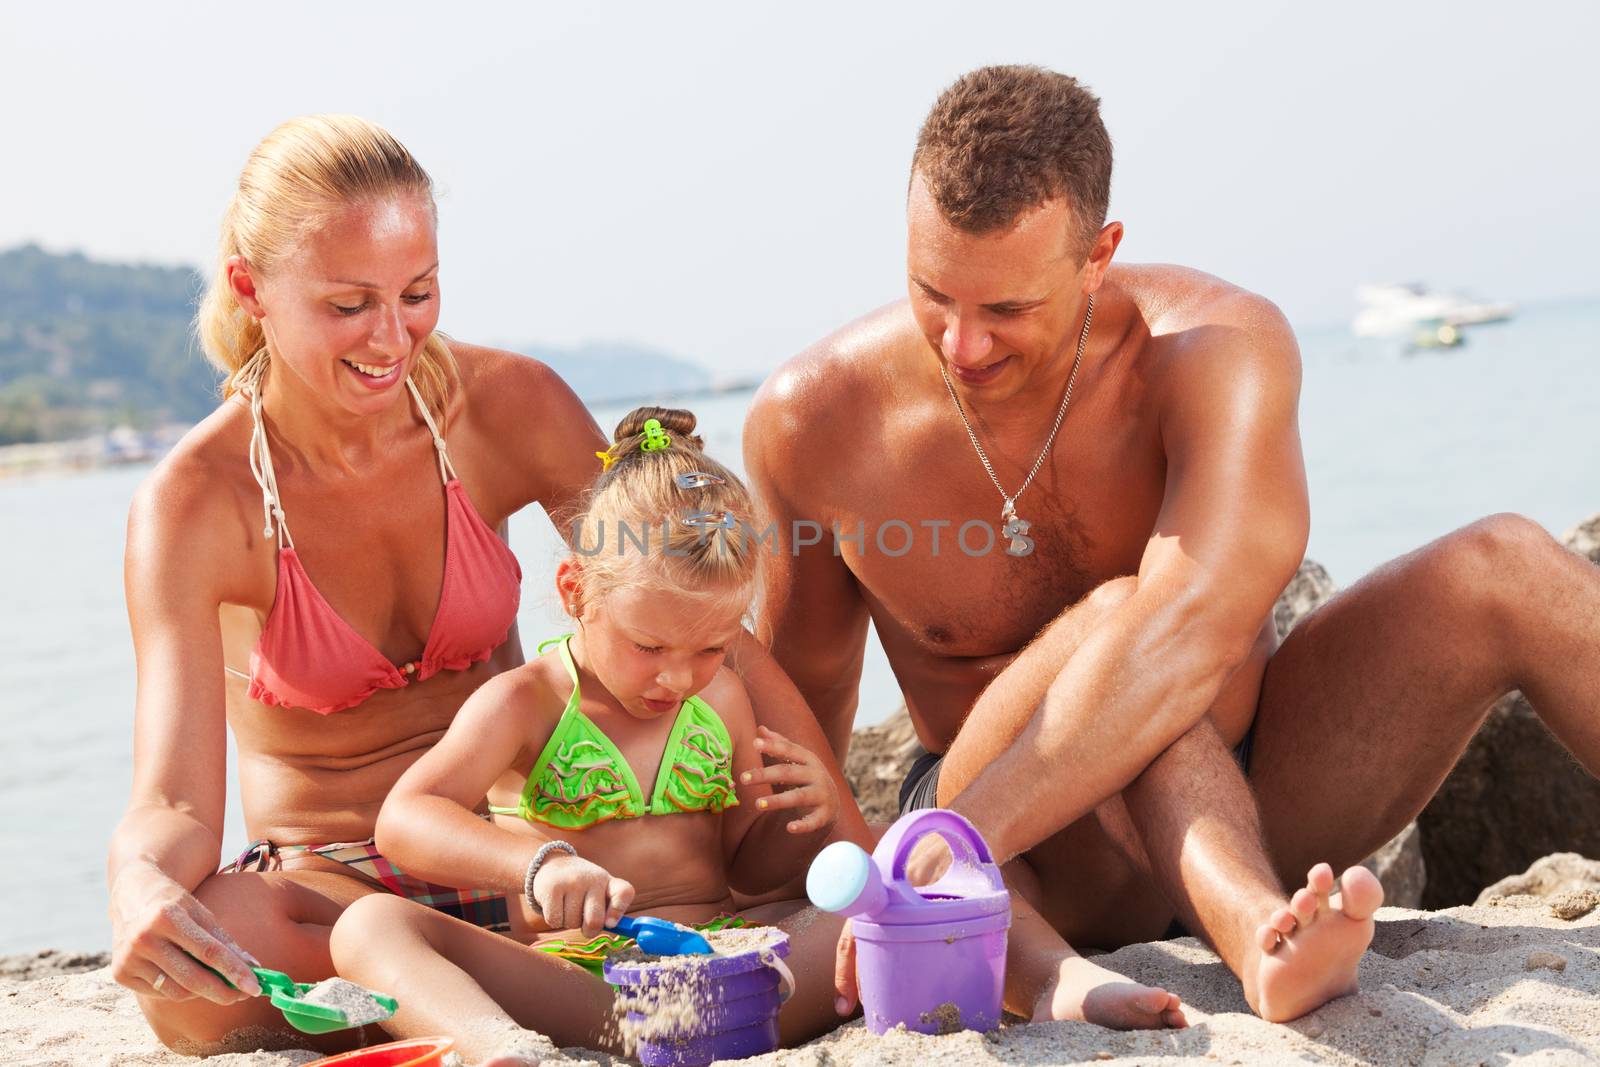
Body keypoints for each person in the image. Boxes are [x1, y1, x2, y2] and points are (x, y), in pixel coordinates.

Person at [746, 64, 1600, 1023]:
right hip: (1028, 862)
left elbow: (1191, 628)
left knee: (1508, 562)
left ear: (1099, 254)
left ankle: (1261, 922)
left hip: (1253, 787)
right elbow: (791, 723)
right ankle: (1264, 940)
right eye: (932, 292)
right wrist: (892, 868)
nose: (962, 345)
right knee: (1120, 624)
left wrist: (955, 835)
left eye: (1006, 311)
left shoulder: (1217, 349)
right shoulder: (816, 420)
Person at [110, 115, 861, 1054]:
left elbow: (688, 604)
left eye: (417, 292)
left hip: (547, 845)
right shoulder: (193, 503)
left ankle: (491, 1004)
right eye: (349, 305)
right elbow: (176, 802)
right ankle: (537, 1009)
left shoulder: (506, 405)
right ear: (250, 289)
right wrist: (139, 882)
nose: (394, 337)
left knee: (802, 892)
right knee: (194, 986)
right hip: (340, 874)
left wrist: (850, 828)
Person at [331, 407, 1182, 1065]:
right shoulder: (526, 702)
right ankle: (497, 1049)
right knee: (367, 926)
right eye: (650, 645)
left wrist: (802, 812)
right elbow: (406, 818)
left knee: (905, 859)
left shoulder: (723, 703)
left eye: (710, 646)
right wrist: (535, 863)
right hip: (589, 993)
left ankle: (1061, 979)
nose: (677, 676)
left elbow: (752, 871)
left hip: (741, 980)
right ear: (575, 590)